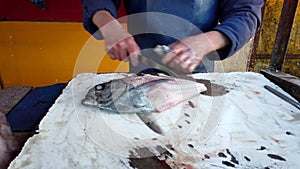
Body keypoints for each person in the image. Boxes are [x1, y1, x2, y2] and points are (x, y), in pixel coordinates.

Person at [81, 0, 264, 73]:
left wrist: (207, 41)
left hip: (198, 70)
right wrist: (108, 24)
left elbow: (246, 14)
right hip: (140, 64)